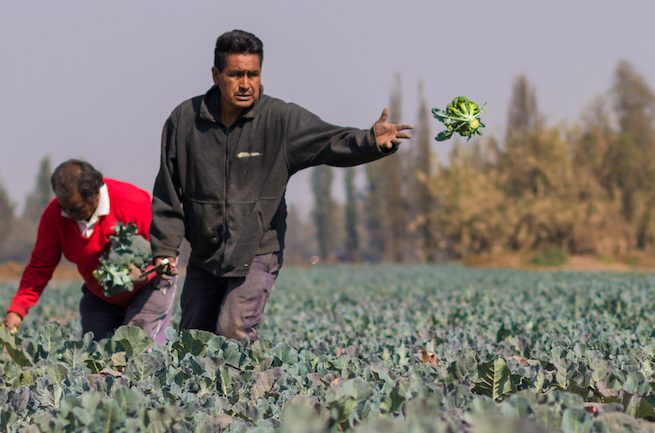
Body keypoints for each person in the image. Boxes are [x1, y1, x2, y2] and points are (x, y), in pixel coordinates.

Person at [150, 29, 412, 341]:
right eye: (236, 74)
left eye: (253, 74)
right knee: (193, 340)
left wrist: (371, 141)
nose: (246, 84)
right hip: (206, 256)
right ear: (216, 75)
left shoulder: (279, 119)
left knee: (233, 330)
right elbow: (168, 192)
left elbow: (330, 140)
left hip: (258, 250)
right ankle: (234, 387)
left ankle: (253, 389)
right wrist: (165, 249)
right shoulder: (185, 122)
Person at [3, 160, 176, 343]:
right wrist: (17, 310)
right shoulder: (55, 216)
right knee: (95, 355)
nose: (68, 214)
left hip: (149, 289)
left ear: (95, 194)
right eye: (64, 207)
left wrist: (150, 270)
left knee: (137, 353)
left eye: (75, 208)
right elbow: (40, 267)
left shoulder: (133, 202)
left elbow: (166, 245)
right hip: (101, 296)